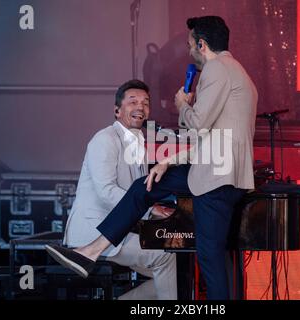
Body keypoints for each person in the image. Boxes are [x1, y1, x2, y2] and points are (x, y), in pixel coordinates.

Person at [46, 16, 258, 300]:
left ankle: (91, 250)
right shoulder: (241, 74)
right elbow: (211, 139)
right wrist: (168, 162)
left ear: (202, 44)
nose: (189, 51)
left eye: (190, 45)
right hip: (222, 170)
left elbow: (197, 125)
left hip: (216, 176)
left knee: (210, 257)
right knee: (146, 186)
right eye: (133, 102)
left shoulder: (217, 68)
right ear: (117, 110)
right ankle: (91, 250)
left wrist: (183, 105)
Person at [56, 79, 177, 300]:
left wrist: (158, 208)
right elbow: (106, 192)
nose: (140, 107)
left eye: (146, 103)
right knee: (165, 258)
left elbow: (140, 193)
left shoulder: (139, 142)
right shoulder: (104, 139)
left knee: (174, 275)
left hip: (119, 232)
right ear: (117, 111)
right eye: (133, 102)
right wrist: (150, 210)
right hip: (93, 232)